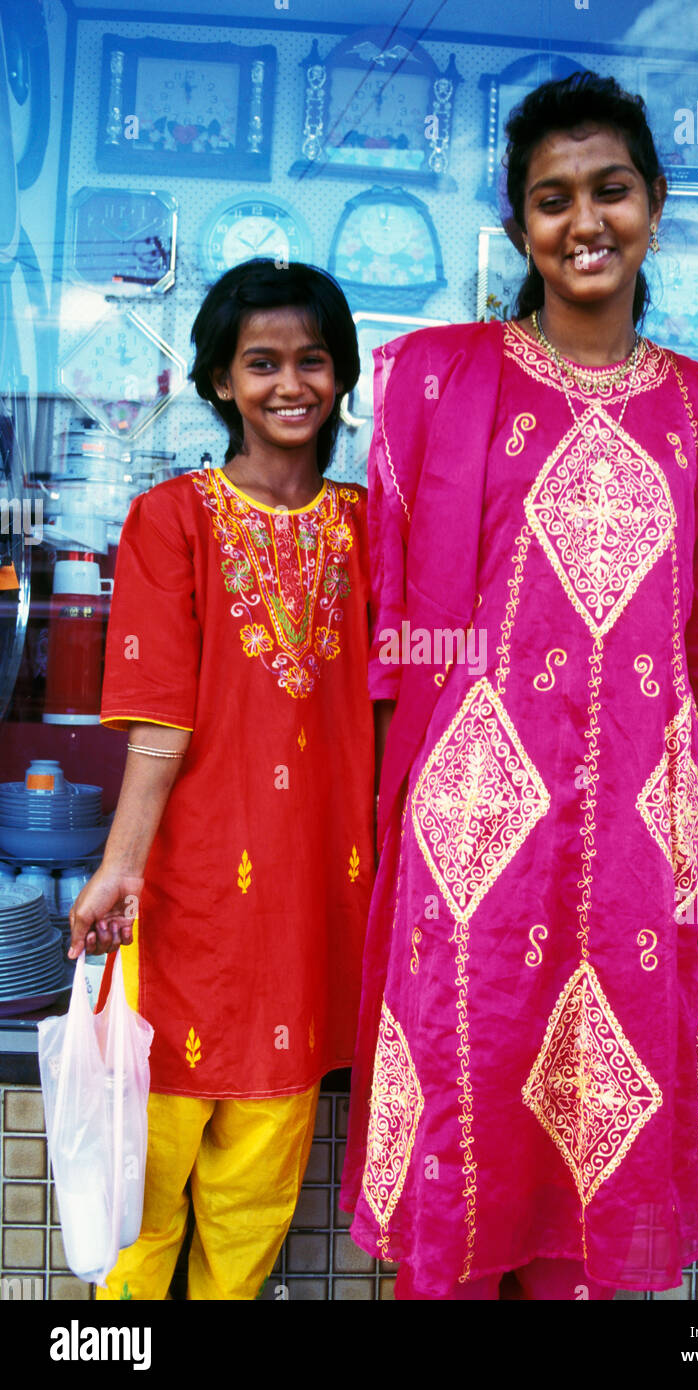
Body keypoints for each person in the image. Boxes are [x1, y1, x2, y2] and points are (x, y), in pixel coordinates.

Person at [339, 71, 698, 1300]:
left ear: (654, 204)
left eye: (609, 190)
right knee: (469, 1062)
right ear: (518, 225)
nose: (584, 221)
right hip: (474, 813)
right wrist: (409, 789)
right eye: (550, 198)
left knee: (604, 1082)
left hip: (636, 808)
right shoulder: (435, 379)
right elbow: (396, 623)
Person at [69, 259, 374, 1300]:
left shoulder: (371, 528)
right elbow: (159, 719)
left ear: (341, 377)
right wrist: (120, 868)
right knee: (141, 1201)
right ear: (218, 381)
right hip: (184, 899)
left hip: (310, 910)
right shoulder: (173, 520)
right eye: (261, 363)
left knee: (253, 1206)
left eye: (311, 360)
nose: (289, 384)